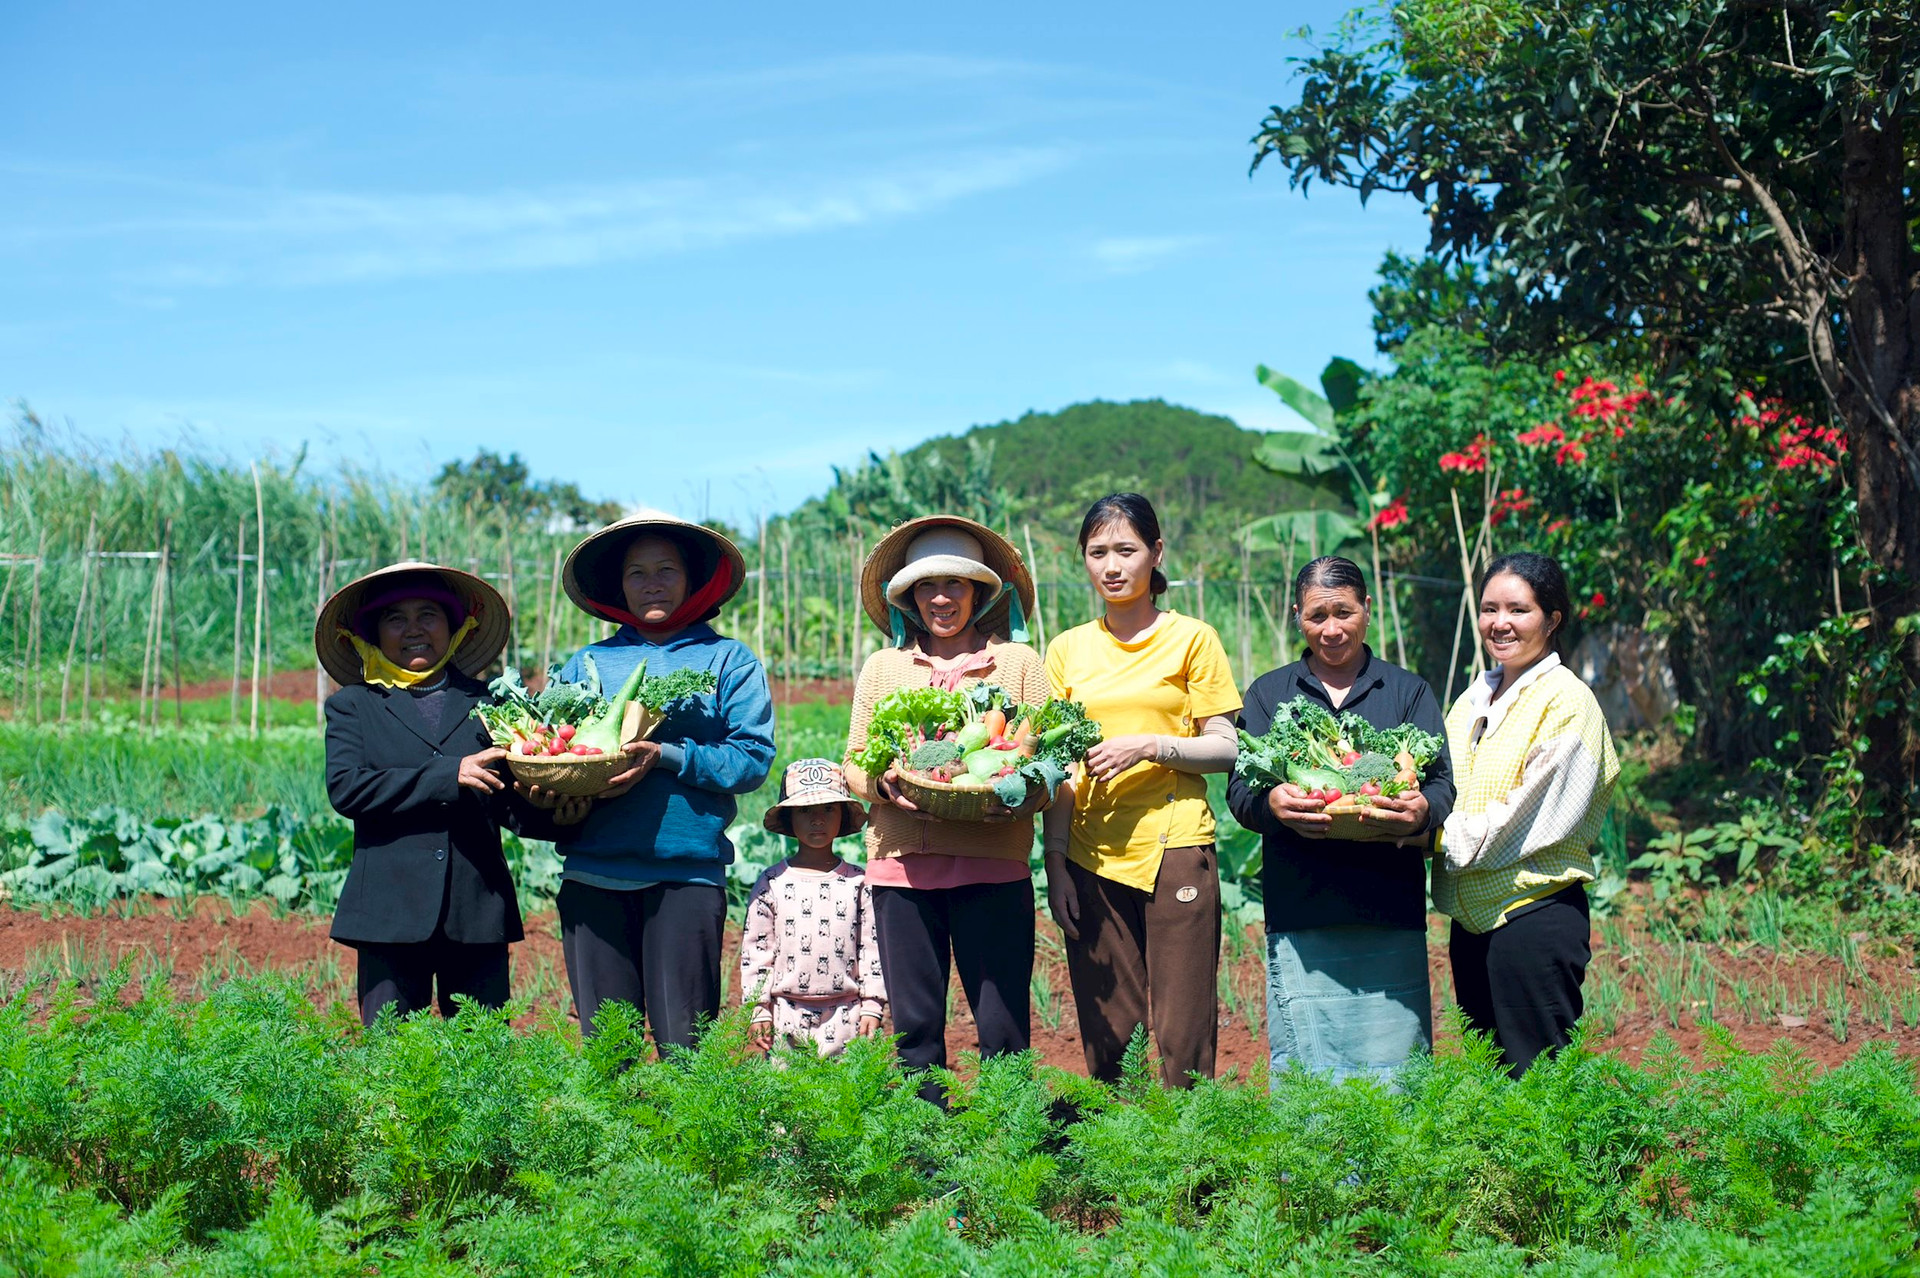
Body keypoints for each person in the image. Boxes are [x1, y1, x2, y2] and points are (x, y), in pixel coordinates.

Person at [529, 511, 775, 1051]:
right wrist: (559, 804)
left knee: (686, 1050)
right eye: (636, 573)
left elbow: (752, 759)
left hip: (686, 876)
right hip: (594, 873)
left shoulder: (727, 659)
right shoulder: (588, 663)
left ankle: (685, 1140)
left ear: (692, 580)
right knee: (606, 1051)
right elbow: (555, 750)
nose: (652, 583)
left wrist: (666, 755)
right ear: (618, 586)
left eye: (666, 569)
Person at [318, 560, 589, 1025]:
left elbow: (507, 799)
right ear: (373, 633)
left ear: (454, 627)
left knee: (483, 1063)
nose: (413, 630)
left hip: (476, 909)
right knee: (395, 1060)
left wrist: (552, 816)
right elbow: (347, 788)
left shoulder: (489, 705)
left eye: (429, 615)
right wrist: (448, 774)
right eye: (395, 618)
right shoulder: (354, 705)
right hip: (389, 913)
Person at [843, 514, 1047, 1105]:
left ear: (980, 592)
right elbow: (855, 761)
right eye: (926, 588)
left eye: (955, 585)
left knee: (1003, 1028)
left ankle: (1010, 1151)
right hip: (901, 869)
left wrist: (1014, 796)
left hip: (993, 867)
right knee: (916, 1030)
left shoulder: (1018, 665)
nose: (941, 599)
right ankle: (927, 1158)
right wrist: (885, 787)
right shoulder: (883, 669)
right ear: (907, 598)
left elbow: (1047, 765)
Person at [1226, 556, 1454, 1083]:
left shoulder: (1406, 691)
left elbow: (1441, 785)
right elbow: (1240, 792)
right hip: (1301, 910)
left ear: (1367, 610)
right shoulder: (1269, 692)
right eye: (1316, 616)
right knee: (1307, 1070)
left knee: (1396, 1069)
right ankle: (1311, 1170)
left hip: (1387, 909)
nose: (1331, 629)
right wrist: (1272, 806)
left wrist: (1421, 813)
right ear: (1297, 617)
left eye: (1344, 612)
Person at [1042, 493, 1242, 1087]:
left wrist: (1150, 744)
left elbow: (1227, 747)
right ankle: (1123, 1169)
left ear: (1156, 554)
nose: (1112, 565)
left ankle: (1188, 1174)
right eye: (1097, 552)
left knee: (1183, 1038)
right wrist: (1054, 864)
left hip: (1175, 848)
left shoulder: (1192, 638)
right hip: (1090, 858)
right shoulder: (1067, 649)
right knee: (1111, 1038)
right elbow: (1060, 767)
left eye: (1126, 550)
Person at [1436, 551, 1619, 1076]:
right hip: (1472, 924)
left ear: (1552, 619)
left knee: (1538, 1084)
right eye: (1490, 609)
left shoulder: (1568, 702)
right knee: (1489, 1076)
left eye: (1518, 610)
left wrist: (1430, 836)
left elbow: (1527, 814)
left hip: (1532, 915)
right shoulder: (1474, 698)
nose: (1500, 623)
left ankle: (1558, 1164)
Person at [740, 758, 885, 1056]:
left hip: (848, 1011)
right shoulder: (772, 882)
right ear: (790, 819)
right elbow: (756, 950)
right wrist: (759, 1008)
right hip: (785, 1013)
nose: (817, 819)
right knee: (787, 1094)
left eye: (828, 809)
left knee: (845, 1097)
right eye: (805, 810)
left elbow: (871, 946)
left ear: (842, 815)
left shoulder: (860, 882)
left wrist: (872, 1004)